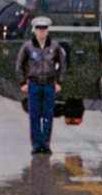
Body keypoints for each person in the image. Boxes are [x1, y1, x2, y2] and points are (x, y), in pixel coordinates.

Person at [16, 16, 67, 155]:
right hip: (34, 84)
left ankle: (46, 144)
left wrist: (59, 82)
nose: (41, 32)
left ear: (47, 31)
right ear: (34, 31)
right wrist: (22, 82)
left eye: (44, 29)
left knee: (48, 115)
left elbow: (63, 64)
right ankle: (36, 145)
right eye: (39, 29)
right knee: (34, 115)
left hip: (49, 84)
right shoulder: (27, 46)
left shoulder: (55, 46)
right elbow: (19, 65)